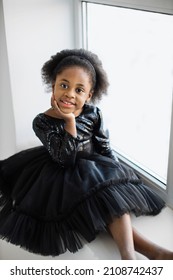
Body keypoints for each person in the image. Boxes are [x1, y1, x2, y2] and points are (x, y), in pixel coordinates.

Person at [0, 49, 172, 260]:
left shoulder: (93, 113)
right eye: (64, 85)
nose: (70, 94)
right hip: (60, 173)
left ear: (89, 95)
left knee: (108, 198)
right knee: (100, 205)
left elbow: (103, 146)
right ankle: (148, 254)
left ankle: (136, 256)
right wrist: (70, 121)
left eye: (79, 90)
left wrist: (116, 178)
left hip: (93, 166)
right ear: (53, 85)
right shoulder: (41, 121)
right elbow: (65, 159)